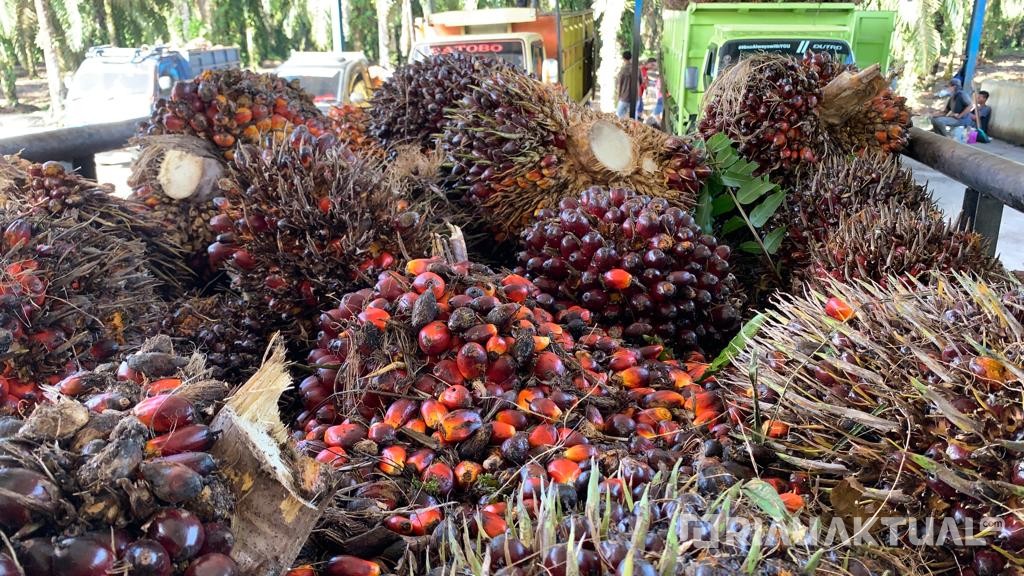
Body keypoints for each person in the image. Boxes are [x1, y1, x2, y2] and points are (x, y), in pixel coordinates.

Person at [616, 51, 634, 119]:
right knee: (631, 119)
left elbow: (619, 84)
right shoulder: (637, 69)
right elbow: (641, 82)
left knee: (618, 117)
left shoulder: (623, 70)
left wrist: (618, 96)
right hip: (635, 98)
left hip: (624, 97)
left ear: (623, 58)